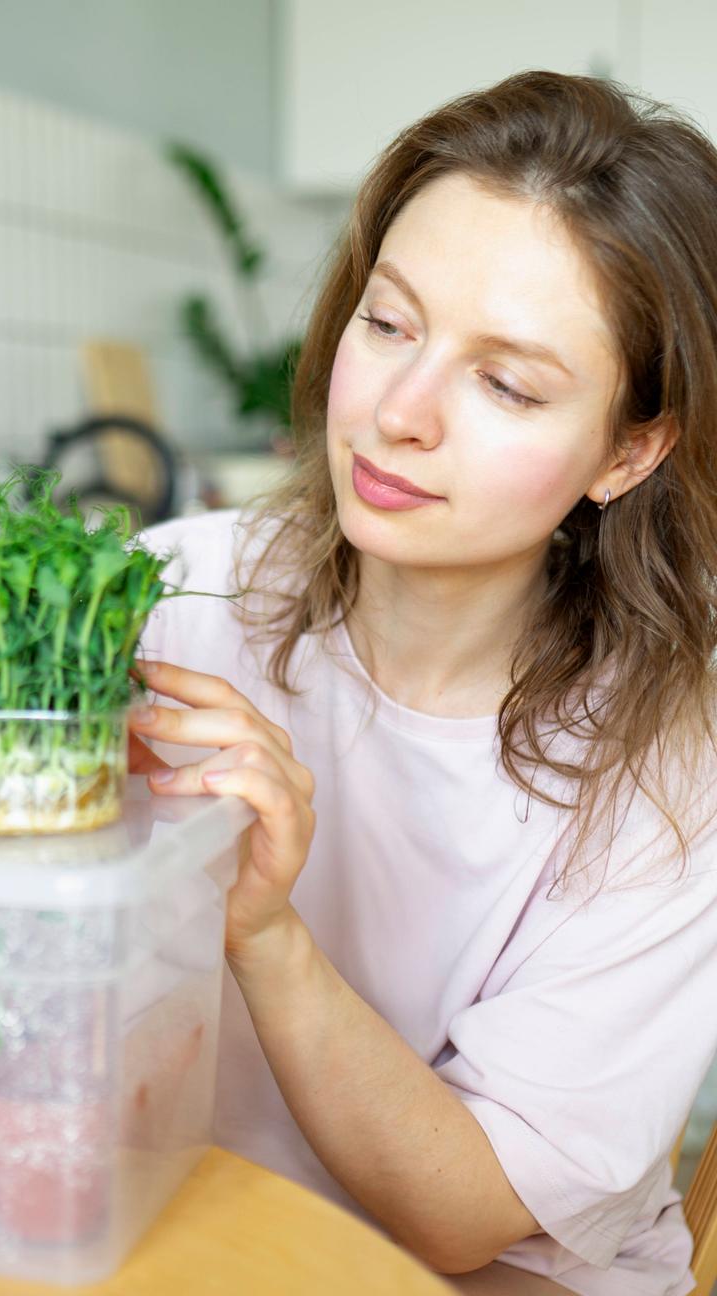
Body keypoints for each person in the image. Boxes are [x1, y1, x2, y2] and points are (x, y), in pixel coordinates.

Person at [126, 71, 717, 1295]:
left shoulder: (675, 773)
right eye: (388, 325)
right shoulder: (170, 602)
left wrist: (266, 930)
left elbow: (464, 1220)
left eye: (505, 385)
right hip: (191, 1246)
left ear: (628, 448)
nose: (397, 414)